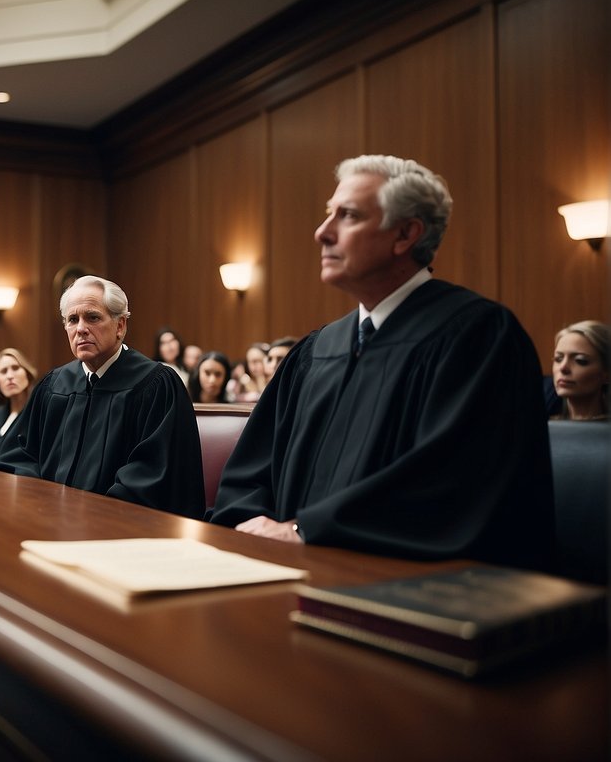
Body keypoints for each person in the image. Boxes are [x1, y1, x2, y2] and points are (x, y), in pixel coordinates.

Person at [211, 155, 552, 568]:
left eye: (348, 215)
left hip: (404, 590)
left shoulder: (477, 337)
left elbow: (453, 485)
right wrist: (252, 528)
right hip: (279, 576)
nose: (322, 232)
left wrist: (306, 531)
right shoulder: (318, 349)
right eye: (327, 214)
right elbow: (252, 471)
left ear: (406, 234)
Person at [0, 276, 204, 518]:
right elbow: (18, 456)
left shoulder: (155, 385)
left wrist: (89, 514)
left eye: (93, 317)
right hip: (45, 520)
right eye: (72, 320)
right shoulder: (53, 385)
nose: (81, 328)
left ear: (120, 326)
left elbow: (153, 475)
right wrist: (40, 503)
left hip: (117, 529)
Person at [552, 320, 608, 421]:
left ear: (606, 373)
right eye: (558, 359)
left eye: (580, 361)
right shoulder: (541, 427)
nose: (563, 368)